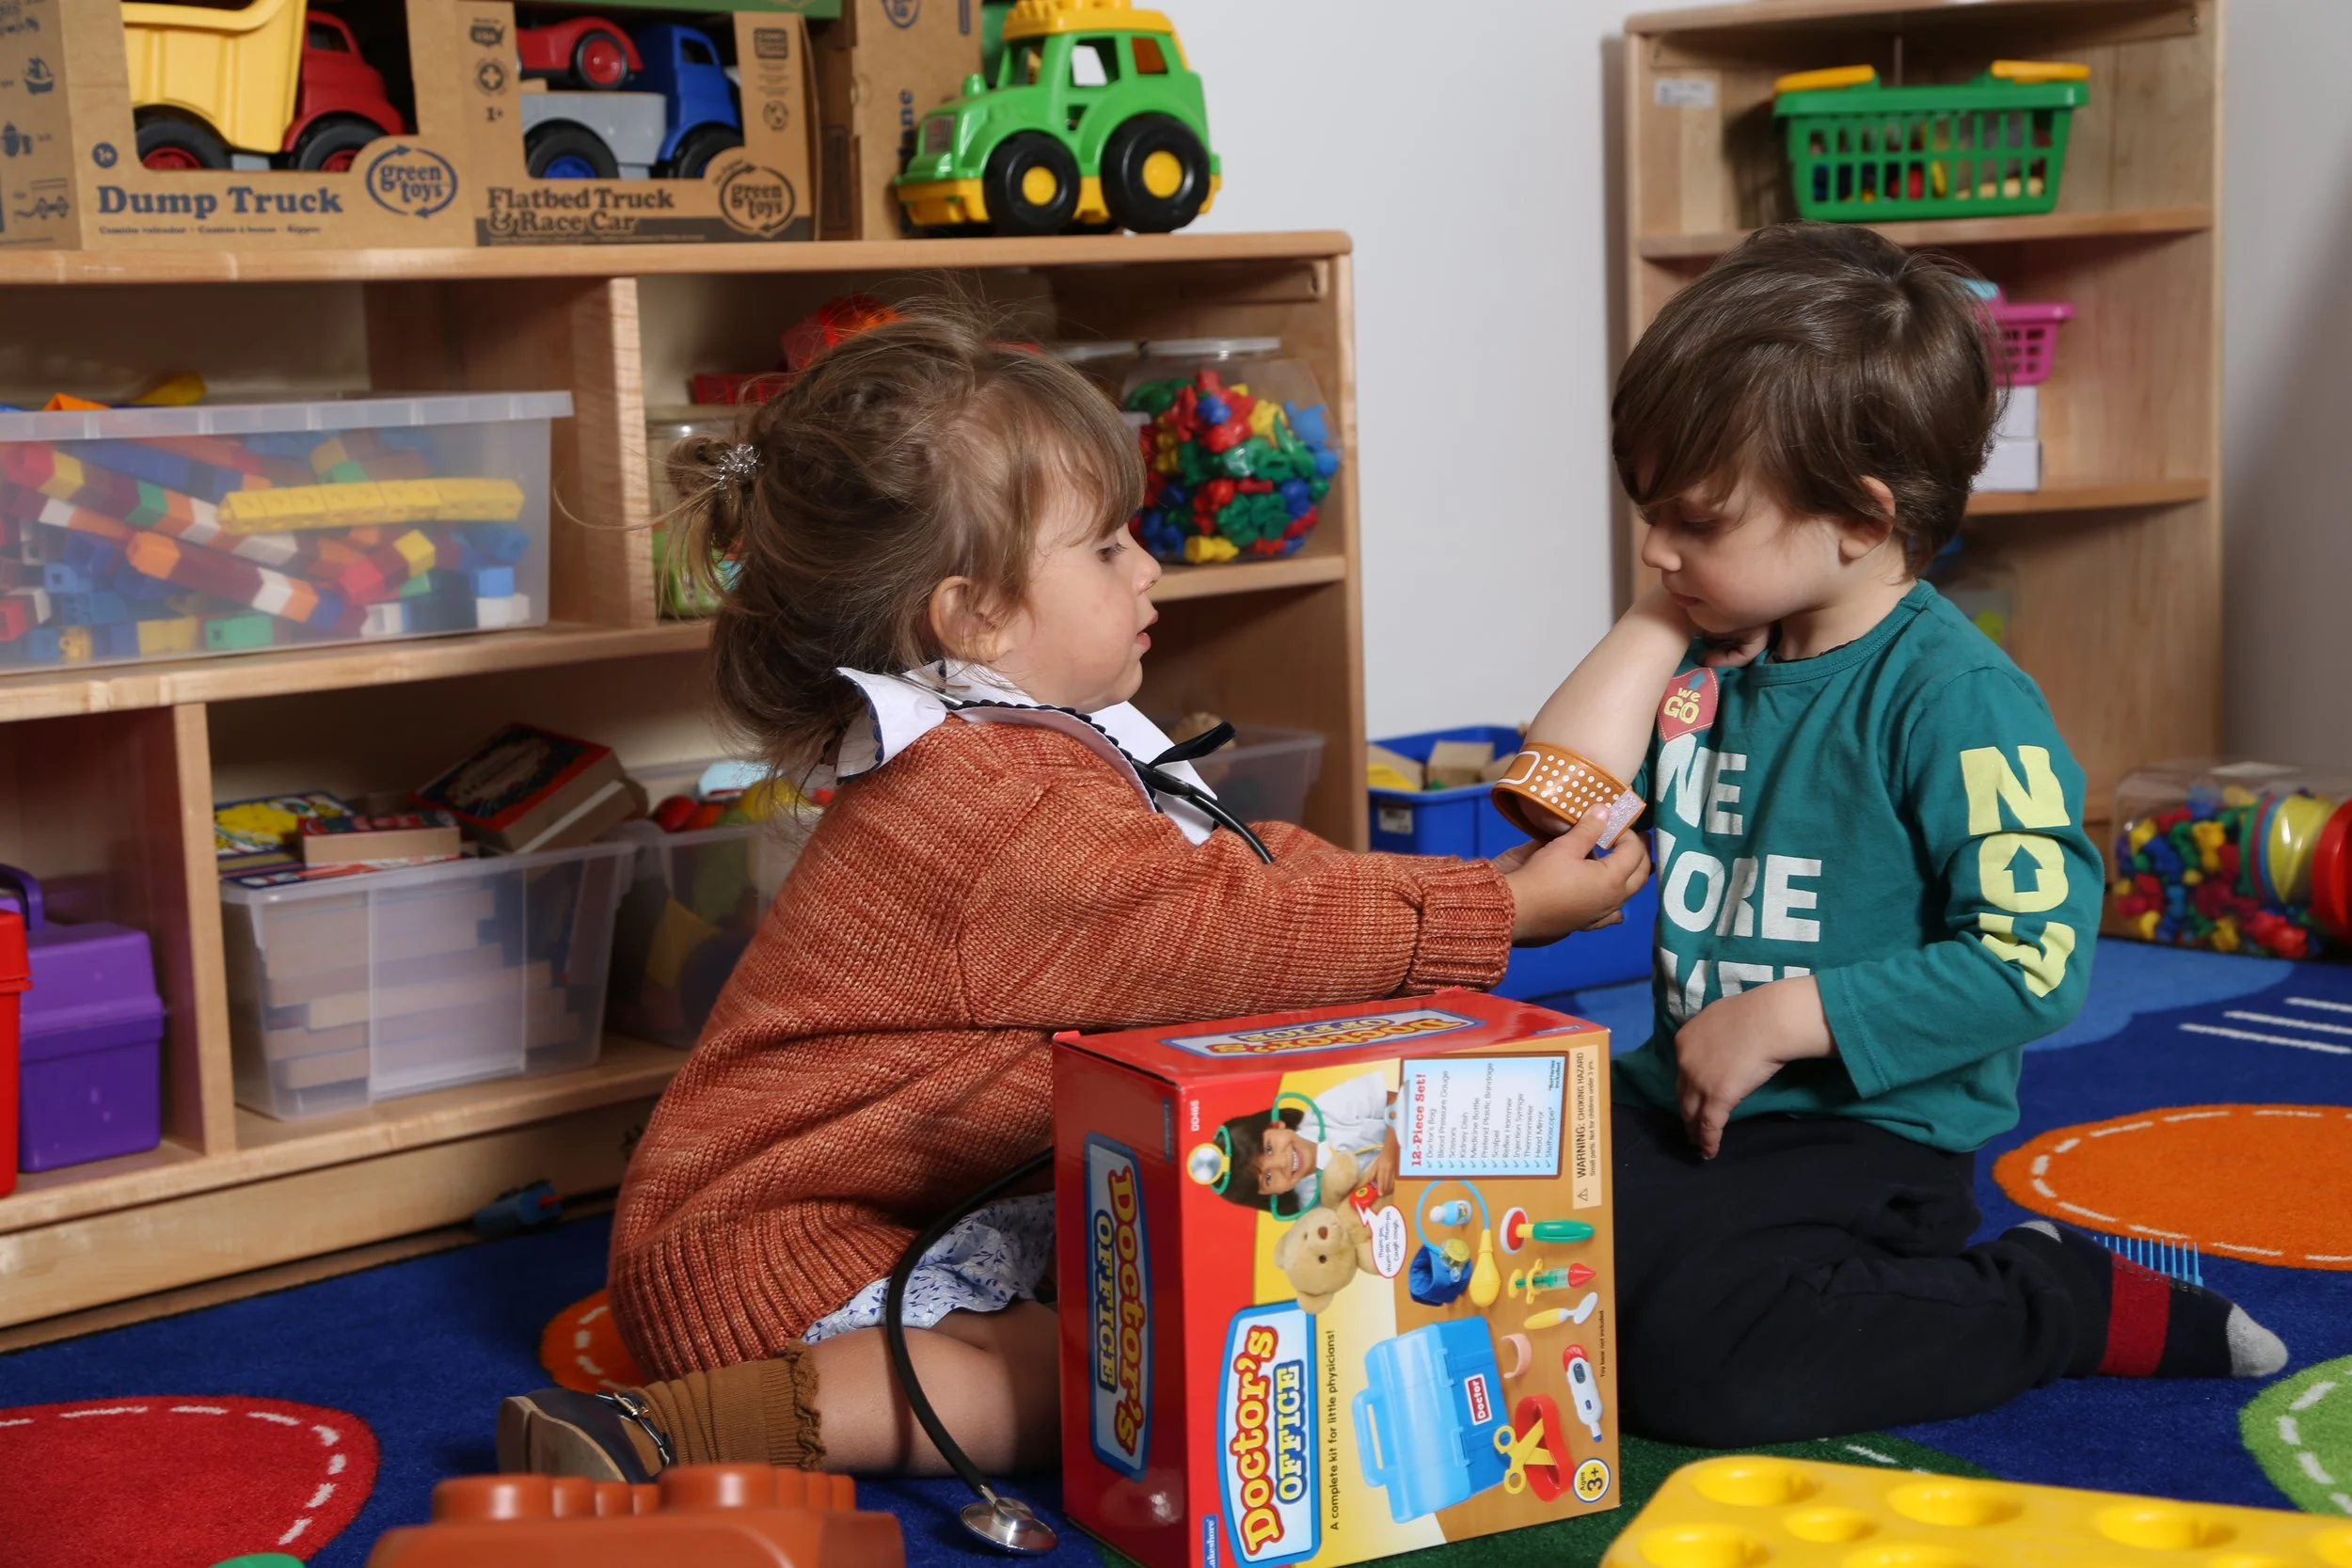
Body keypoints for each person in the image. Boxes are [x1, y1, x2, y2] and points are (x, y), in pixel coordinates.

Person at [494, 300, 1652, 1483]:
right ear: (974, 614)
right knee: (1110, 1377)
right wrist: (1491, 917)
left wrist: (1470, 884)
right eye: (1106, 548)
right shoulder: (993, 802)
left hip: (917, 1195)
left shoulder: (1027, 740)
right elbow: (1222, 931)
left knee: (1158, 1302)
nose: (1148, 566)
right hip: (770, 1244)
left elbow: (1231, 866)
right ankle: (667, 1430)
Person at [1512, 222, 2287, 1448]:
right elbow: (1550, 796)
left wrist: (1783, 1015)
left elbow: (2033, 958)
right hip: (1674, 1103)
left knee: (1697, 1369)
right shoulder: (1706, 651)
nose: (1656, 549)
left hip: (1859, 1137)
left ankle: (2052, 1294)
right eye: (1647, 514)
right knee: (1484, 1253)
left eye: (1695, 519)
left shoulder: (1956, 699)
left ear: (1861, 520)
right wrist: (1660, 612)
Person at [1208, 1068, 1402, 1214]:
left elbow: (1397, 1100)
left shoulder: (1328, 1109)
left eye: (1269, 1148)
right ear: (1269, 1194)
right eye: (1268, 1178)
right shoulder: (1310, 1206)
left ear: (1276, 1125)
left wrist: (1390, 1153)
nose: (1282, 1163)